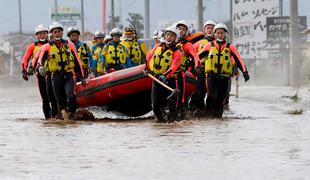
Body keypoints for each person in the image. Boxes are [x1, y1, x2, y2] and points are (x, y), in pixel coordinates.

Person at [198, 23, 249, 118]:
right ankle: (208, 115)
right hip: (211, 76)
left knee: (221, 98)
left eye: (221, 33)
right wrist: (191, 65)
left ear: (225, 34)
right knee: (212, 95)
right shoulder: (209, 45)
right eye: (217, 33)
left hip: (224, 77)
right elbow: (197, 57)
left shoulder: (231, 47)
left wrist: (245, 72)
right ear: (214, 34)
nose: (219, 35)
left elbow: (239, 60)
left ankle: (218, 119)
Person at [38, 22, 85, 120]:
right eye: (55, 32)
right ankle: (62, 116)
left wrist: (82, 76)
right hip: (55, 76)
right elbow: (40, 60)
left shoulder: (69, 44)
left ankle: (72, 115)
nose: (57, 34)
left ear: (62, 32)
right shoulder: (47, 47)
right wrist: (40, 67)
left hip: (68, 75)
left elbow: (77, 61)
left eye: (59, 32)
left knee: (71, 96)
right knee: (59, 100)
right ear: (52, 34)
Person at [145, 26, 183, 122]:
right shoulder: (158, 46)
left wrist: (165, 76)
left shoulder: (177, 52)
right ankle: (161, 124)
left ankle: (171, 123)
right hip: (157, 79)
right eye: (167, 34)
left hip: (169, 81)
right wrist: (147, 68)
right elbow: (149, 58)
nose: (169, 37)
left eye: (171, 35)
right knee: (155, 106)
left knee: (171, 105)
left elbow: (174, 66)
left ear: (176, 38)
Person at [21, 24, 58, 119]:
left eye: (44, 33)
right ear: (37, 35)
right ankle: (48, 120)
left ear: (47, 34)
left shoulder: (53, 44)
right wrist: (24, 71)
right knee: (45, 98)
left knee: (54, 97)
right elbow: (25, 58)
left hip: (53, 74)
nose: (42, 36)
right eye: (40, 34)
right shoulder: (32, 46)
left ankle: (57, 117)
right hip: (40, 75)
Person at [190, 20, 216, 111]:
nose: (210, 30)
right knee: (199, 91)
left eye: (212, 28)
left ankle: (211, 110)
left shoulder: (220, 43)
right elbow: (191, 55)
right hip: (201, 70)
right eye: (207, 28)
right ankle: (197, 108)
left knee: (212, 93)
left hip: (214, 71)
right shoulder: (199, 43)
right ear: (204, 30)